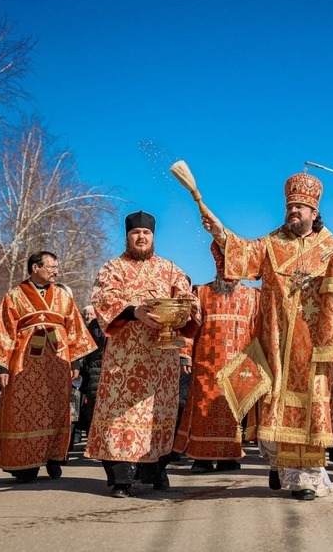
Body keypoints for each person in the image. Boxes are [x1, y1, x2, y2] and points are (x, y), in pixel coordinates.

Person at [201, 172, 333, 501]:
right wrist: (220, 232)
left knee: (309, 410)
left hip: (312, 346)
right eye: (290, 206)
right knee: (273, 408)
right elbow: (243, 255)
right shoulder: (271, 243)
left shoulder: (330, 249)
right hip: (276, 342)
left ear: (313, 212)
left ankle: (305, 478)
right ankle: (280, 466)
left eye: (300, 207)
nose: (294, 211)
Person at [85, 211, 201, 498]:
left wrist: (190, 306)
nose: (141, 237)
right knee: (119, 417)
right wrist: (135, 311)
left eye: (146, 233)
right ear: (127, 236)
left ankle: (156, 472)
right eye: (135, 233)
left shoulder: (169, 269)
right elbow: (103, 299)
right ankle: (121, 480)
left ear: (153, 237)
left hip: (161, 360)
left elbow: (185, 296)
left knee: (158, 416)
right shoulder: (113, 268)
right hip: (124, 359)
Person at [0, 251, 96, 482]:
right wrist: (1, 368)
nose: (55, 271)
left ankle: (53, 458)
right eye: (51, 266)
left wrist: (76, 361)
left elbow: (75, 330)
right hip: (24, 365)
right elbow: (2, 332)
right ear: (35, 267)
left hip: (57, 364)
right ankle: (24, 465)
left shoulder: (63, 296)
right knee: (23, 411)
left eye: (56, 267)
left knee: (56, 410)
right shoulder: (14, 296)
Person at [173, 243, 261, 473]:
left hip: (238, 365)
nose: (226, 270)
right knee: (203, 410)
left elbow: (257, 331)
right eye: (222, 264)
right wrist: (185, 355)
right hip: (206, 364)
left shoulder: (253, 295)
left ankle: (228, 458)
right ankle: (201, 459)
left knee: (232, 411)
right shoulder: (201, 292)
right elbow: (190, 327)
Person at [77, 305, 105, 437]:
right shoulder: (95, 326)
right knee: (96, 406)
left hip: (96, 370)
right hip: (97, 370)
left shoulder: (93, 326)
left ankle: (93, 438)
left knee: (95, 407)